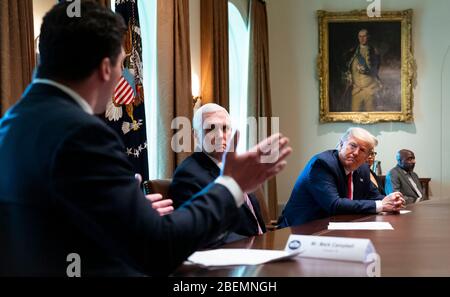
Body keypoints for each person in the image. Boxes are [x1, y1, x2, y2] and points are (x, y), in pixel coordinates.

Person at [0, 2, 291, 276]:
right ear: (105, 69)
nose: (122, 77)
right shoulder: (83, 135)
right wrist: (232, 184)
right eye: (122, 66)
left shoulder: (10, 124)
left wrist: (127, 215)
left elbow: (48, 227)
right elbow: (158, 249)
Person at [169, 104, 266, 247]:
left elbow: (252, 221)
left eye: (225, 128)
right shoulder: (187, 175)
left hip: (261, 249)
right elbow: (201, 233)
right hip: (232, 258)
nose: (220, 136)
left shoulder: (237, 167)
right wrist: (252, 247)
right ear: (195, 135)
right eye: (210, 129)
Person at [278, 127, 404, 228]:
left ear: (367, 156)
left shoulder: (362, 169)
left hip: (337, 228)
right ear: (341, 144)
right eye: (352, 146)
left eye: (362, 150)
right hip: (302, 229)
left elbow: (373, 196)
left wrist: (392, 201)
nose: (355, 153)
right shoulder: (322, 164)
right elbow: (334, 205)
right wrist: (382, 205)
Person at [344, 29, 382, 112]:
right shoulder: (352, 52)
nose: (362, 39)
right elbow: (347, 69)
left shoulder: (374, 52)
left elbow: (375, 71)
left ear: (368, 37)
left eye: (364, 36)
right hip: (356, 91)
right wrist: (348, 77)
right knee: (354, 116)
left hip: (370, 90)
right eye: (360, 36)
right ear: (358, 37)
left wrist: (365, 71)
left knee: (371, 116)